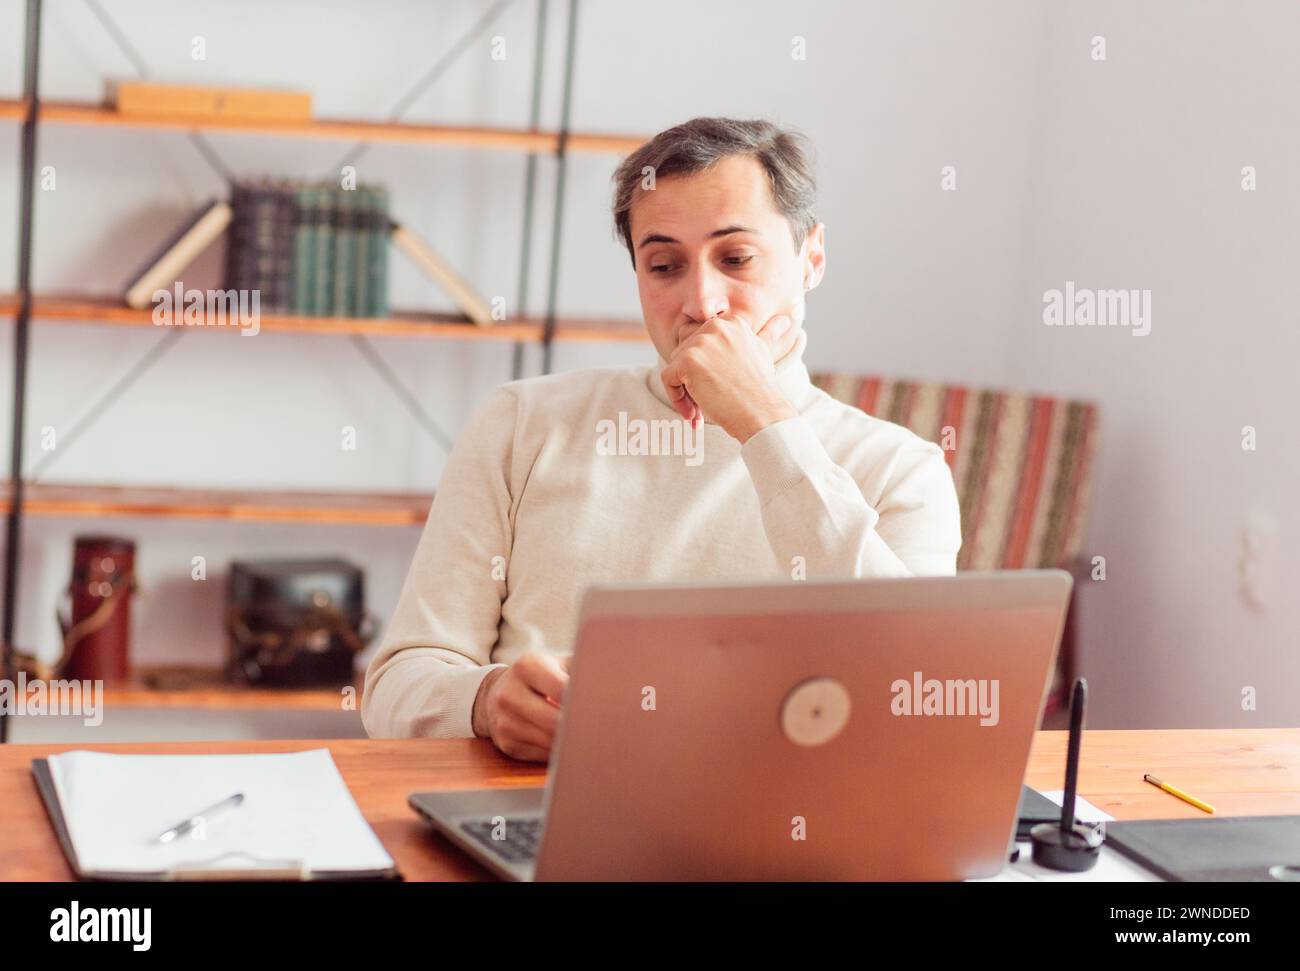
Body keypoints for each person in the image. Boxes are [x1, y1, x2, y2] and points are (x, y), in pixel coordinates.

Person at [362, 117, 962, 761]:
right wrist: (483, 701)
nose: (701, 303)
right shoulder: (521, 422)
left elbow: (912, 706)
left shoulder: (902, 470)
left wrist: (766, 424)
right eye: (665, 265)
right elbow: (395, 687)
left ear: (811, 259)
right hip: (532, 818)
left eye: (736, 259)